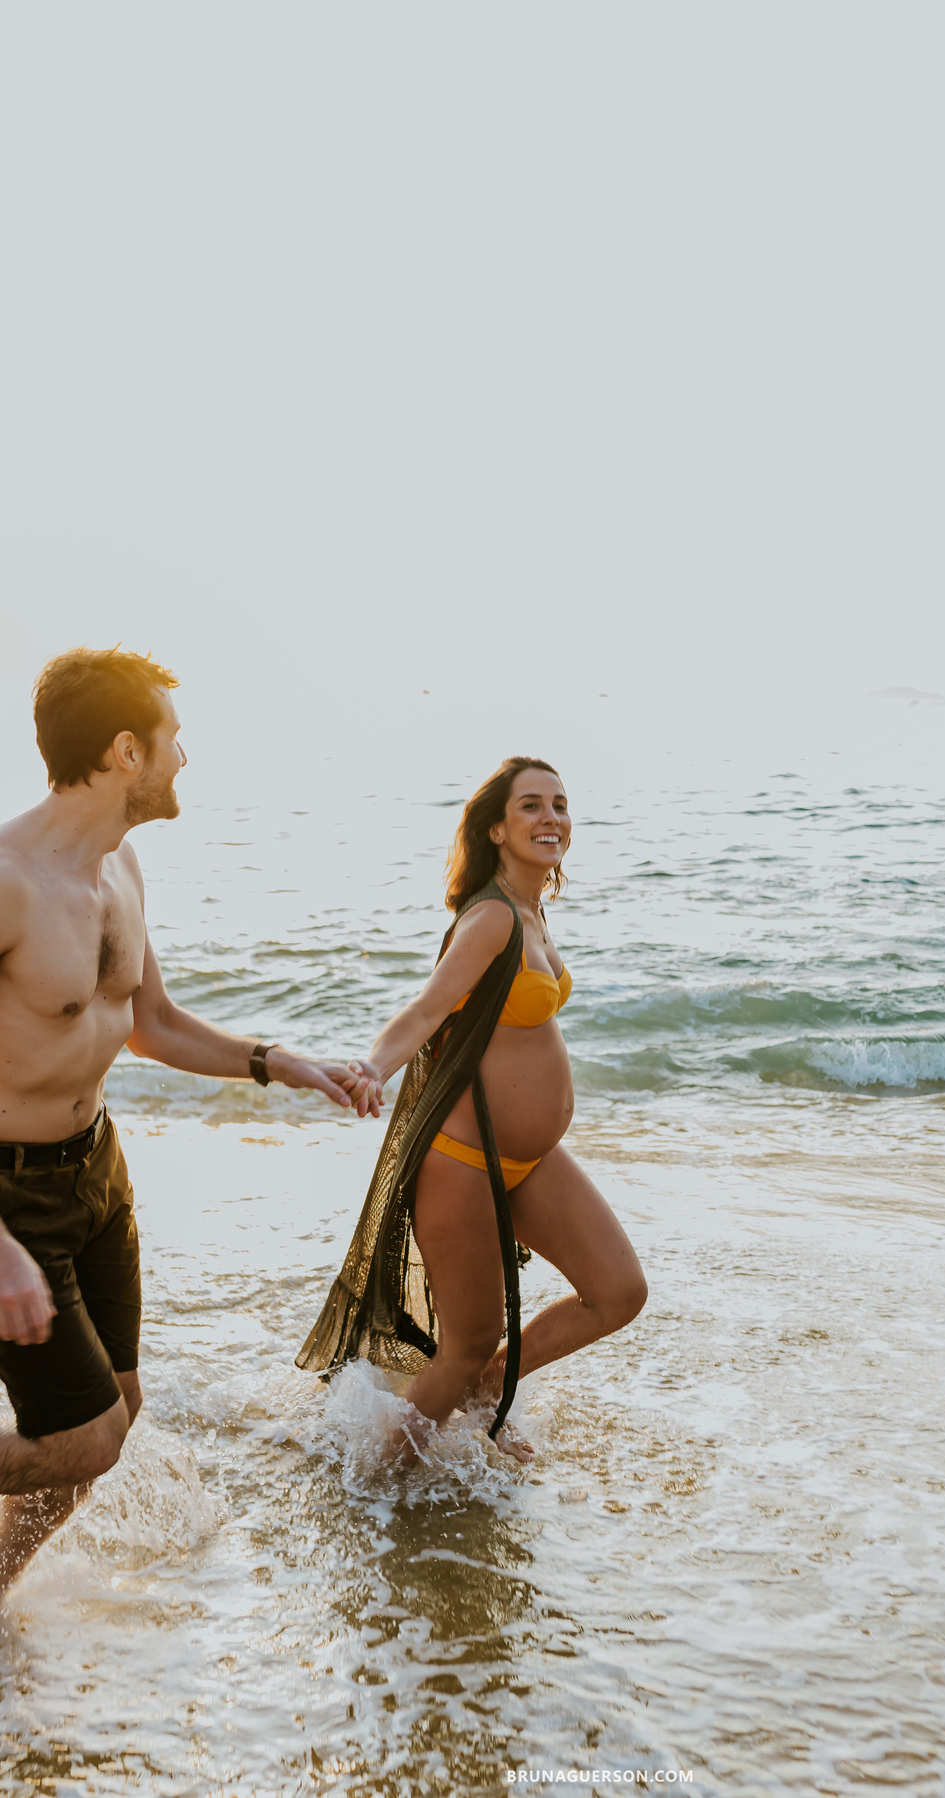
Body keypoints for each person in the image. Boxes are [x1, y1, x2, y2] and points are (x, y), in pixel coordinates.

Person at [0, 646, 375, 1589]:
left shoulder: (120, 867)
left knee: (116, 1413)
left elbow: (153, 1024)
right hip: (9, 1197)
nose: (184, 759)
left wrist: (278, 1063)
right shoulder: (7, 882)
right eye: (174, 740)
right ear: (125, 751)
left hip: (95, 1171)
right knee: (87, 1438)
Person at [297, 756, 647, 1465]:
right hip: (463, 1160)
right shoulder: (490, 917)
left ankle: (489, 1389)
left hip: (529, 1159)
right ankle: (378, 1489)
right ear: (495, 829)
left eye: (560, 804)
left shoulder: (531, 910)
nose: (551, 817)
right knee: (466, 1343)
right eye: (531, 806)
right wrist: (373, 1068)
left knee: (618, 1292)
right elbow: (426, 1009)